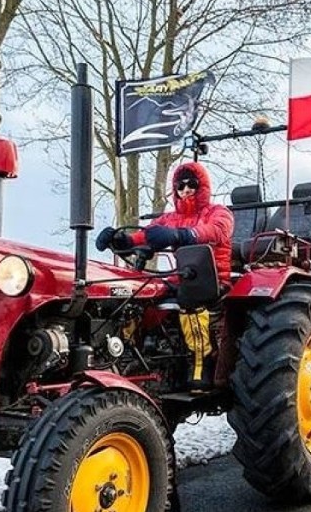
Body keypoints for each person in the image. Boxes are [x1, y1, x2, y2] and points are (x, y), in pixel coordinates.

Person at [96, 161, 234, 391]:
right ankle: (129, 356)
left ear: (202, 187)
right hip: (179, 277)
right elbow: (146, 235)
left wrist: (181, 235)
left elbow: (216, 232)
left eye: (191, 184)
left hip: (211, 279)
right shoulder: (169, 218)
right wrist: (123, 240)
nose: (186, 190)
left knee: (189, 298)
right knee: (139, 295)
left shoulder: (219, 213)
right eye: (180, 185)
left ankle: (201, 363)